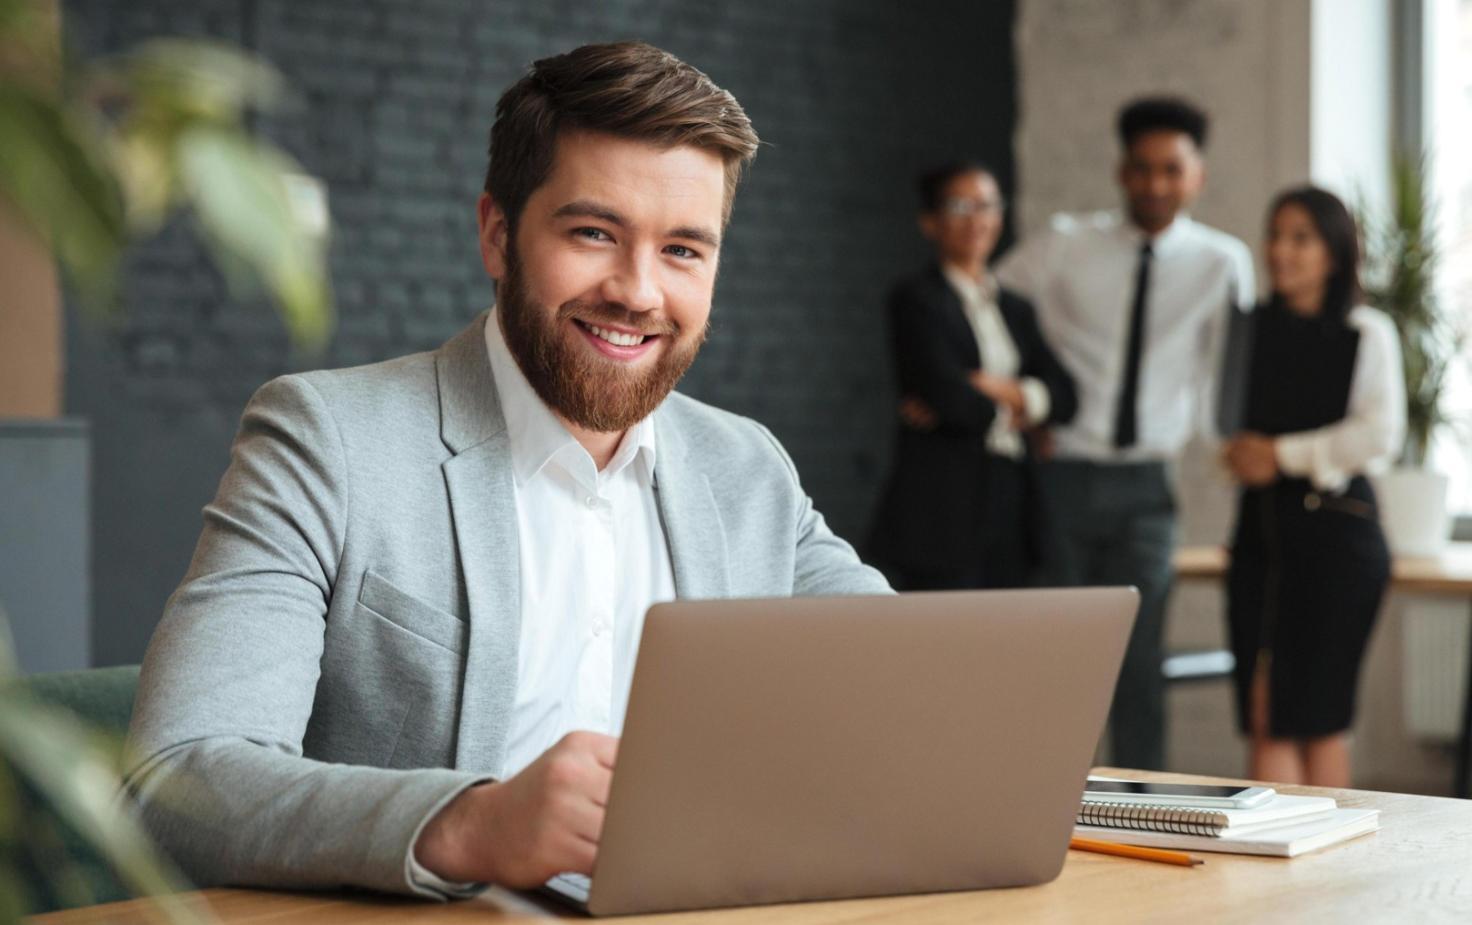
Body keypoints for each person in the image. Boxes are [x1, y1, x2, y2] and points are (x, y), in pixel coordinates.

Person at [123, 41, 890, 898]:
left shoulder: (747, 469)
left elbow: (913, 686)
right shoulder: (327, 440)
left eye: (683, 250)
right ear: (498, 234)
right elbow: (176, 782)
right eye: (595, 232)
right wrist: (474, 823)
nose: (638, 291)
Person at [993, 96, 1254, 771]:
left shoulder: (1222, 263)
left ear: (1196, 175)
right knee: (1058, 661)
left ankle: (1146, 814)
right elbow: (989, 307)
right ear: (1120, 171)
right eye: (1142, 169)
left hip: (1148, 485)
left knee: (1141, 668)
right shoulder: (1065, 243)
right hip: (1064, 476)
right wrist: (1029, 402)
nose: (1156, 184)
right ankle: (1040, 805)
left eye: (1171, 169)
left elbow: (1234, 373)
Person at [1222, 186, 1404, 788]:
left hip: (1337, 537)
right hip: (1261, 535)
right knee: (1265, 711)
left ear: (1334, 251)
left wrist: (1283, 454)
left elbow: (1380, 433)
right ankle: (1274, 875)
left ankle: (1333, 874)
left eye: (1301, 237)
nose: (1281, 250)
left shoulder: (1365, 330)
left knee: (1319, 716)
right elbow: (1220, 424)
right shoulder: (1250, 329)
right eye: (1275, 235)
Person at [867, 163, 1076, 590]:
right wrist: (1024, 410)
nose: (977, 219)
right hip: (941, 506)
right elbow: (953, 401)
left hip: (1012, 497)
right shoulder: (916, 300)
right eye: (960, 206)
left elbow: (1069, 397)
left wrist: (996, 390)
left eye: (987, 206)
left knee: (1010, 639)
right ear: (930, 222)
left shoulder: (1017, 308)